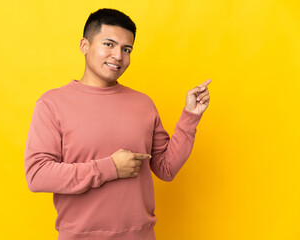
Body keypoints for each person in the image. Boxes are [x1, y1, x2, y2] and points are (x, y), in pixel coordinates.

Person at [24, 8, 210, 240]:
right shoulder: (52, 104)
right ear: (85, 46)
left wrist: (190, 116)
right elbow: (37, 175)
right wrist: (109, 168)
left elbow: (165, 168)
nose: (118, 56)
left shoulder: (143, 103)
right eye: (109, 44)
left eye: (126, 49)